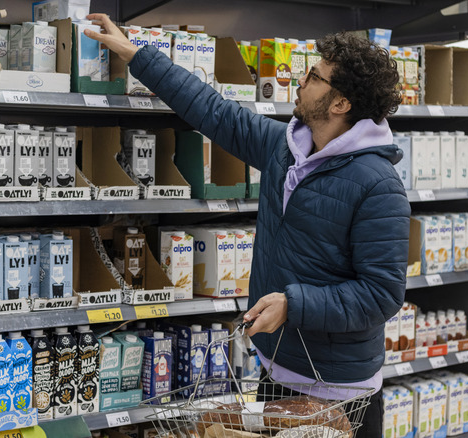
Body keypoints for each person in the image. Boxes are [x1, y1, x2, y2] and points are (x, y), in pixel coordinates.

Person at [86, 16, 410, 437]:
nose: (301, 81)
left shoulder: (378, 185)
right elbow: (217, 113)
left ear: (340, 104)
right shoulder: (288, 148)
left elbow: (382, 294)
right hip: (279, 371)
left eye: (314, 77)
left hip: (340, 391)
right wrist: (138, 55)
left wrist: (294, 305)